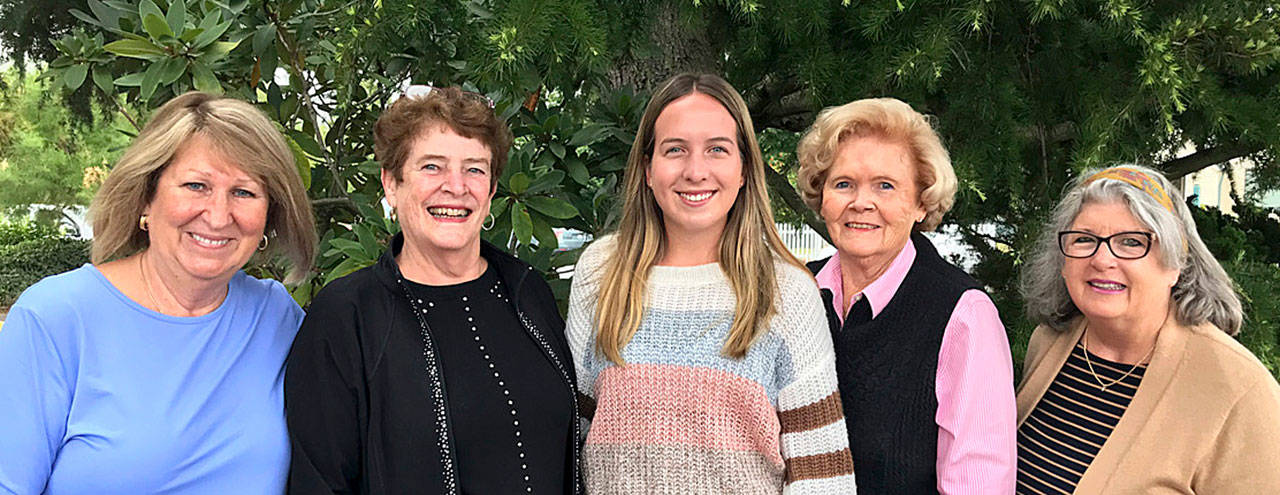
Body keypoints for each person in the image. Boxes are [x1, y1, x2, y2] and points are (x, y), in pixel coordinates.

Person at [0, 91, 316, 494]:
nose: (219, 216)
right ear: (146, 198)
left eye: (244, 192)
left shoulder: (277, 318)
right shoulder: (55, 318)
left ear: (269, 215)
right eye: (196, 185)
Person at [566, 73, 856, 493]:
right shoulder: (600, 273)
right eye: (675, 150)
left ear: (743, 170)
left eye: (717, 150)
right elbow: (569, 441)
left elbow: (823, 476)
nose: (695, 171)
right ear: (648, 169)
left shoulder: (787, 290)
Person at [285, 85, 579, 494]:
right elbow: (319, 482)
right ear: (391, 183)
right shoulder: (347, 317)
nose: (456, 186)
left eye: (474, 168)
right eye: (432, 167)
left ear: (492, 190)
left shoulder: (527, 293)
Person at [794, 97, 1016, 493]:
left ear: (920, 202)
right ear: (821, 197)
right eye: (843, 184)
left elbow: (978, 484)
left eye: (885, 186)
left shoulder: (963, 315)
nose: (862, 203)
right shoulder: (795, 295)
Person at [1015, 165, 1280, 493]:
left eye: (1130, 242)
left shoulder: (1240, 390)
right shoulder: (1050, 340)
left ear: (1176, 265)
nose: (1102, 259)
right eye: (1084, 239)